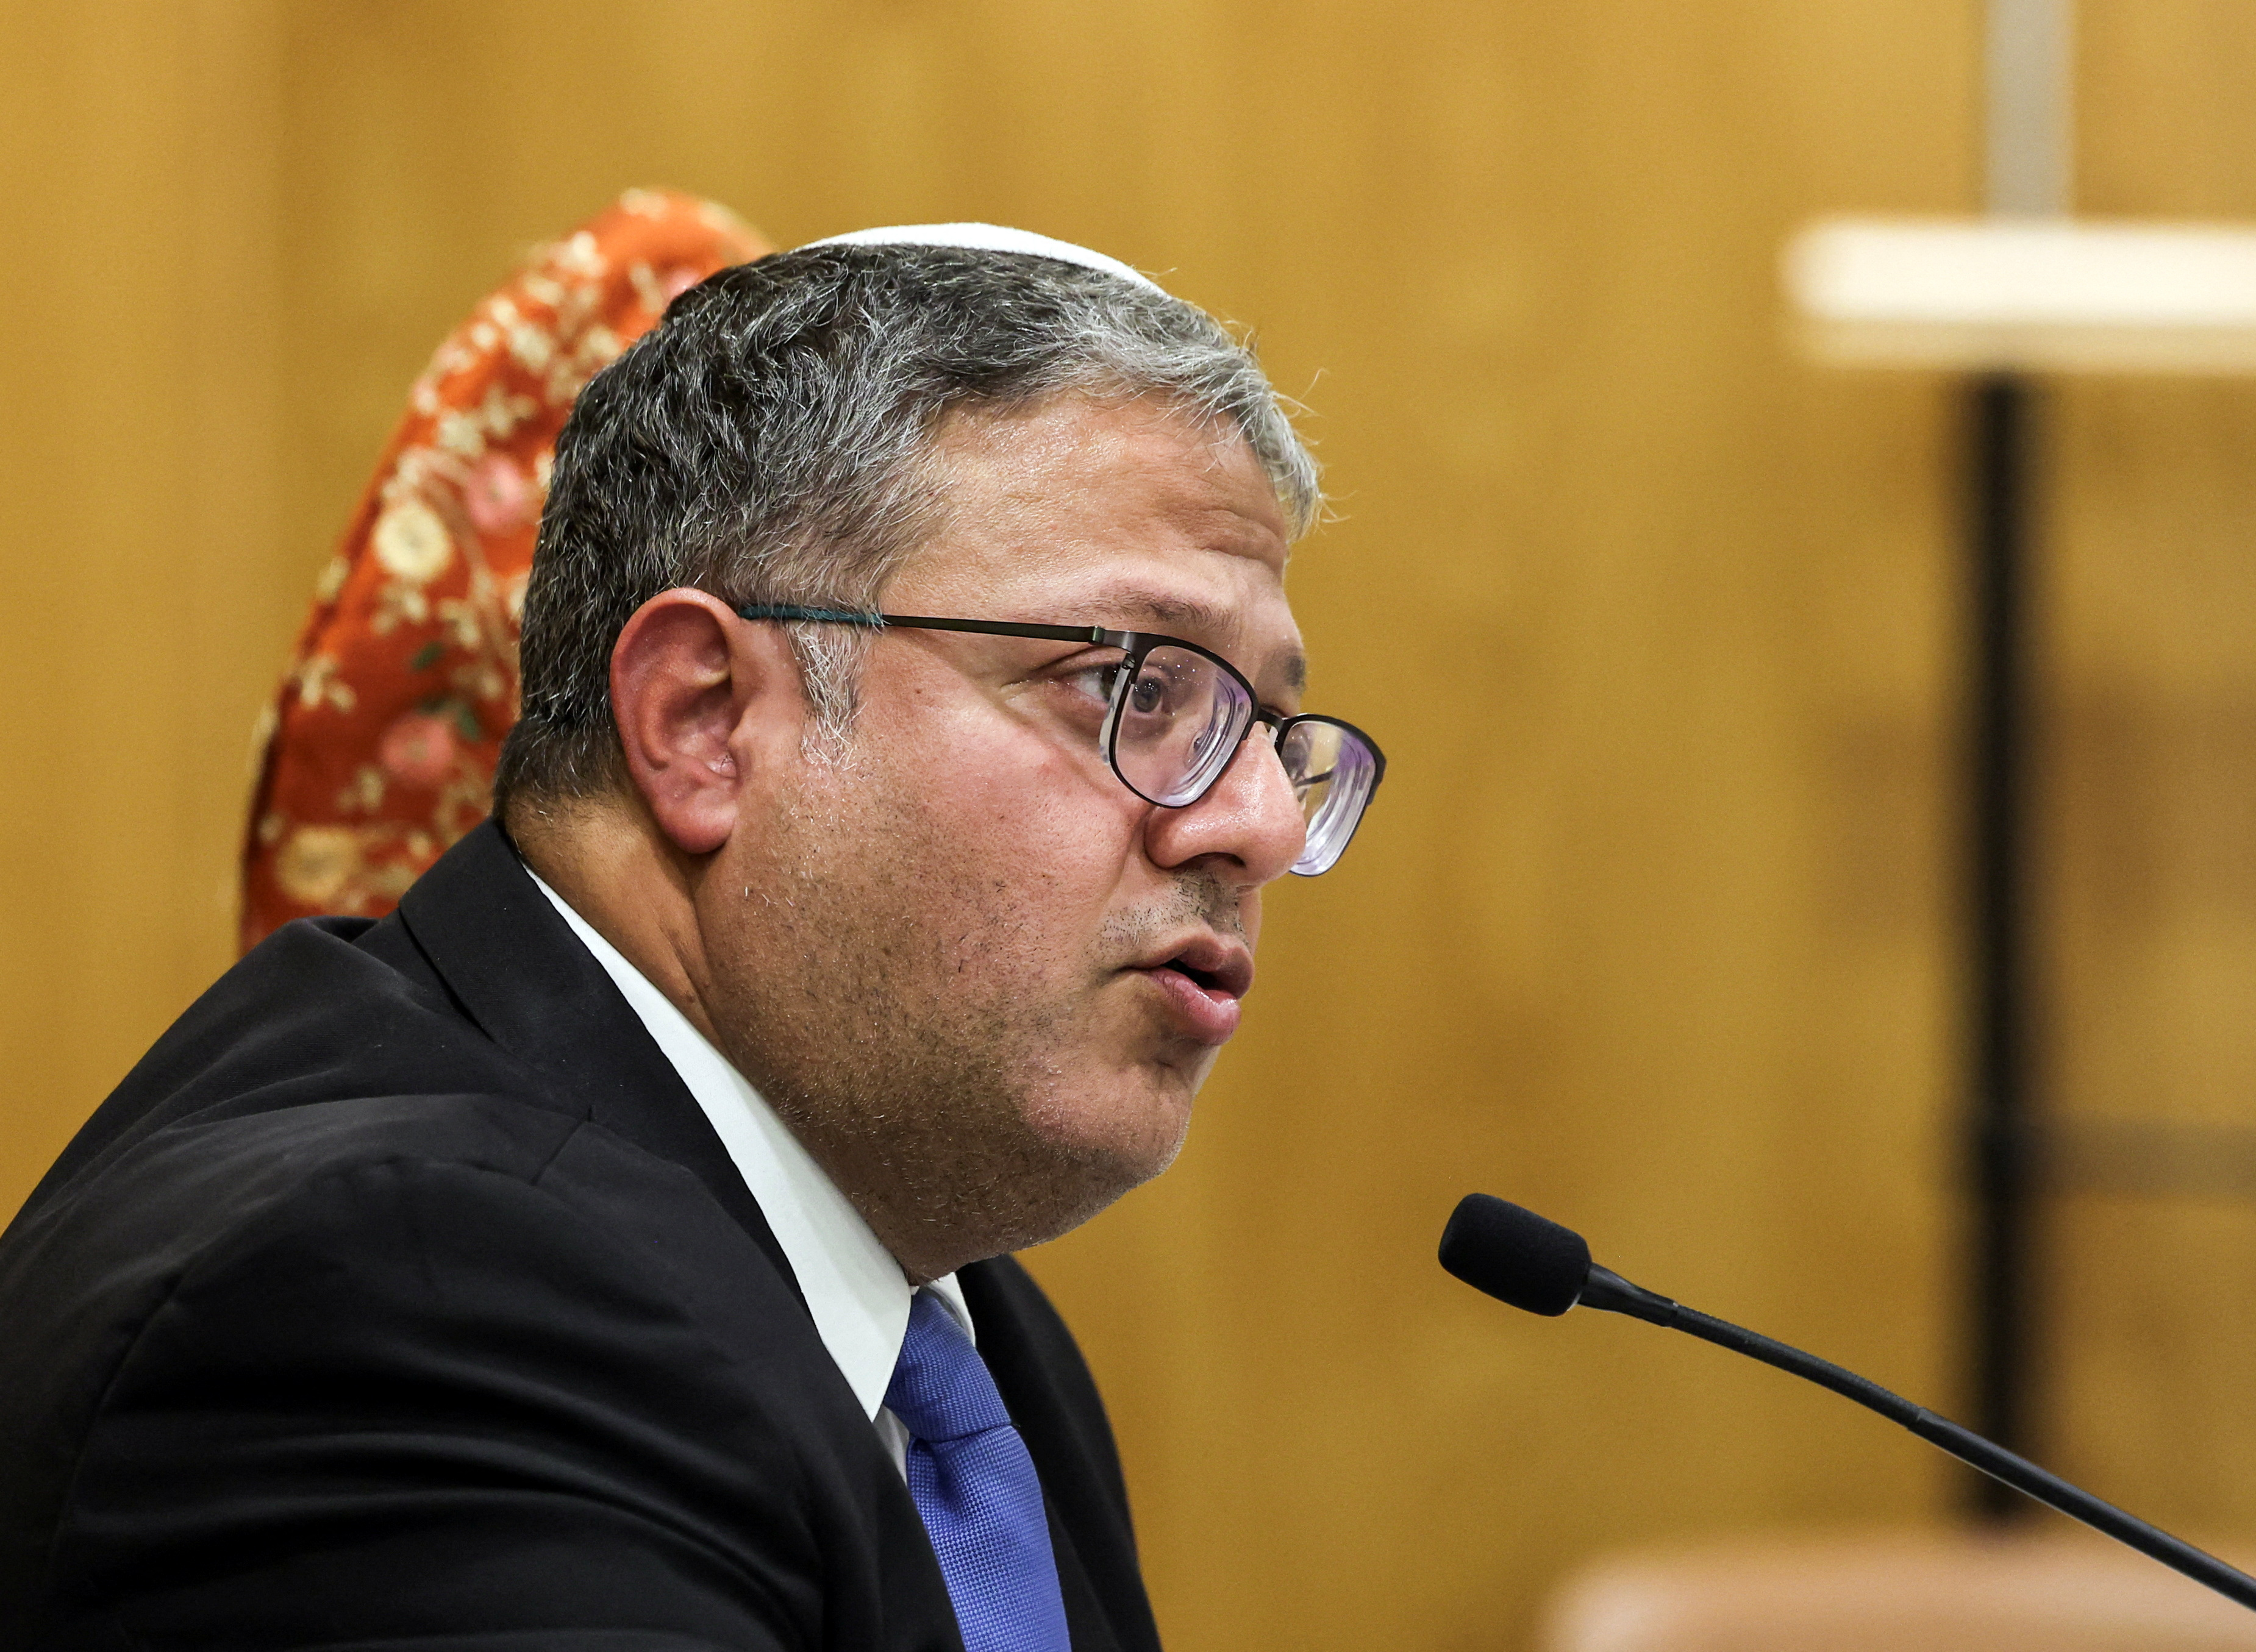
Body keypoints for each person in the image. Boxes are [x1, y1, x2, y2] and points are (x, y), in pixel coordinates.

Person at [0, 224, 1383, 1651]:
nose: (1261, 823)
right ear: (701, 723)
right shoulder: (407, 1301)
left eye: (1271, 729)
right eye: (1132, 685)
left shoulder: (967, 1339)